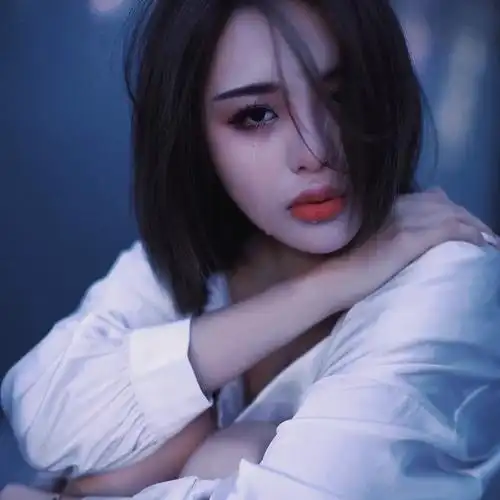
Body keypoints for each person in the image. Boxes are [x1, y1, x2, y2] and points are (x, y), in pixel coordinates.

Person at [1, 0, 500, 498]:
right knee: (184, 435)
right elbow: (45, 422)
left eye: (342, 97)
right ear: (196, 139)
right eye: (257, 115)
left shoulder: (453, 276)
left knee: (224, 453)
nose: (315, 152)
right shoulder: (205, 257)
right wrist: (330, 285)